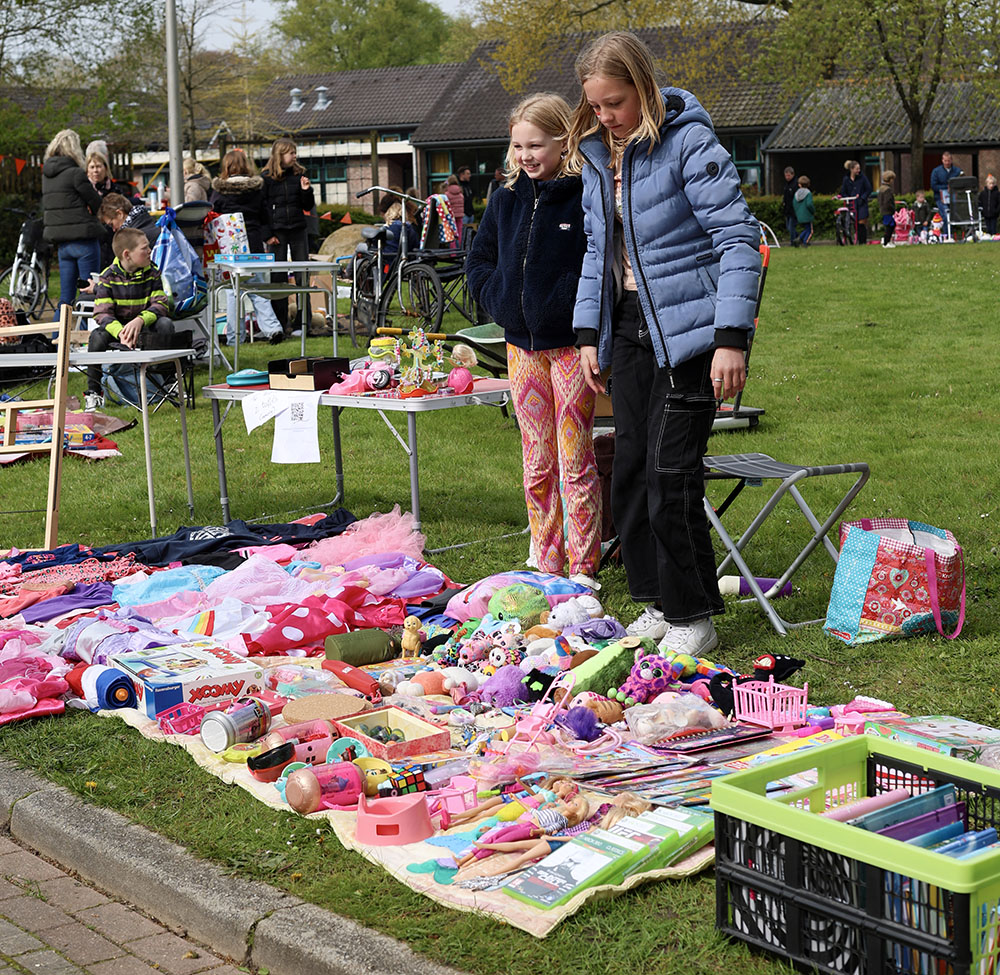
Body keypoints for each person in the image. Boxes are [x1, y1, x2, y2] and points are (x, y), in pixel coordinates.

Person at [569, 31, 761, 654]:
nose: (605, 117)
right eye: (596, 106)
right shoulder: (599, 154)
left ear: (645, 89)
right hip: (624, 328)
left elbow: (738, 241)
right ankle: (655, 601)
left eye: (616, 104)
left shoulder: (690, 143)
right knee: (625, 468)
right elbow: (600, 251)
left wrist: (731, 340)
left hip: (692, 334)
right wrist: (588, 333)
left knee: (669, 473)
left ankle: (693, 615)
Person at [466, 92, 602, 588]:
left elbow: (596, 263)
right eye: (518, 145)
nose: (526, 156)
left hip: (569, 347)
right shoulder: (504, 199)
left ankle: (584, 567)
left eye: (536, 145)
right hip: (520, 349)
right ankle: (546, 561)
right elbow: (478, 259)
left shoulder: (586, 194)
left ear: (563, 142)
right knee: (537, 459)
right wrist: (498, 298)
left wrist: (572, 309)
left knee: (574, 458)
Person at [84, 227, 173, 411]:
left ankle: (170, 383)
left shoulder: (152, 270)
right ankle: (94, 392)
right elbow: (102, 313)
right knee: (97, 337)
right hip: (118, 329)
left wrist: (140, 320)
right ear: (127, 254)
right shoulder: (107, 276)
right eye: (144, 248)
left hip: (144, 324)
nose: (150, 251)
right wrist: (121, 332)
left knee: (165, 324)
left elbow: (161, 304)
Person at [209, 149, 283, 344]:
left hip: (230, 249)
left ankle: (235, 337)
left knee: (233, 293)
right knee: (257, 289)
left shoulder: (219, 192)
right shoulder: (256, 190)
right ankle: (273, 328)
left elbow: (212, 217)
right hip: (254, 244)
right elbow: (265, 216)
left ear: (226, 166)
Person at [41, 129, 104, 312]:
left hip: (62, 244)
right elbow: (95, 200)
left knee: (65, 298)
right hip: (84, 241)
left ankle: (57, 338)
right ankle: (87, 339)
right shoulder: (75, 173)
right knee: (87, 294)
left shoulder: (47, 175)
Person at [262, 138, 315, 335]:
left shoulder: (299, 174)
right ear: (280, 155)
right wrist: (267, 234)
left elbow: (307, 206)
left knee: (303, 274)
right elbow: (263, 209)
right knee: (278, 277)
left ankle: (304, 323)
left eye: (295, 152)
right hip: (277, 232)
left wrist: (306, 191)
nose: (295, 156)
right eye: (291, 153)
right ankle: (280, 323)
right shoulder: (266, 179)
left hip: (298, 229)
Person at [840, 160, 873, 244]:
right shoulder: (846, 179)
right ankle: (852, 239)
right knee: (851, 222)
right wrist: (846, 198)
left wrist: (862, 197)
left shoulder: (863, 178)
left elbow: (868, 189)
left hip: (861, 203)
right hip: (851, 204)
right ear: (851, 169)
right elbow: (843, 191)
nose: (859, 170)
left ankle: (862, 242)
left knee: (861, 222)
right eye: (857, 169)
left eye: (859, 169)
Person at [930, 150, 963, 237]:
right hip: (940, 198)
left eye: (948, 161)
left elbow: (962, 183)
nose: (947, 163)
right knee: (945, 215)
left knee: (954, 216)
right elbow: (933, 186)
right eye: (945, 161)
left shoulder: (957, 171)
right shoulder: (936, 171)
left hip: (954, 197)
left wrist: (953, 187)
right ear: (942, 160)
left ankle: (954, 234)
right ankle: (946, 235)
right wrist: (945, 188)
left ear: (951, 160)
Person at [793, 174, 814, 247]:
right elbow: (809, 204)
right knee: (810, 230)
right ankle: (805, 242)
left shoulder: (796, 194)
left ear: (799, 184)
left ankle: (799, 239)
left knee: (806, 228)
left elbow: (794, 203)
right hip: (807, 215)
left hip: (799, 215)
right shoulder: (808, 193)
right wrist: (813, 211)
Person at [444, 175, 465, 248]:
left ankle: (453, 252)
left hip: (451, 216)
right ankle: (461, 249)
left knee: (452, 234)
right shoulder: (460, 193)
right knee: (460, 233)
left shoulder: (447, 194)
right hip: (460, 215)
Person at [878, 170, 897, 248]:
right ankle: (886, 242)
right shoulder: (888, 190)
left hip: (883, 210)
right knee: (890, 225)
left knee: (889, 225)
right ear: (891, 179)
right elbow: (888, 201)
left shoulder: (881, 188)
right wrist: (893, 208)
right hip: (888, 211)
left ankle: (886, 240)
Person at [782, 166, 797, 246]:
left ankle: (793, 242)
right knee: (788, 227)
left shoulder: (795, 185)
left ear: (792, 174)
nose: (787, 177)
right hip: (787, 209)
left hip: (793, 210)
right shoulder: (787, 185)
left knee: (791, 227)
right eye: (786, 176)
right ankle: (798, 238)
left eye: (788, 175)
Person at [457, 165, 475, 234]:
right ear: (462, 175)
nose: (469, 175)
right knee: (463, 234)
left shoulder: (468, 186)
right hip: (464, 215)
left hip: (470, 214)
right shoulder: (459, 187)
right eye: (467, 174)